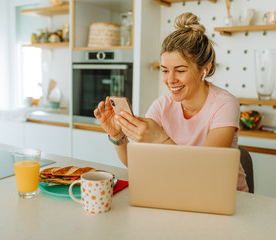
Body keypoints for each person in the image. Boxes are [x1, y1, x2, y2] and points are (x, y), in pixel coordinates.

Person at [94, 12, 248, 192]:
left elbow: (207, 172)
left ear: (204, 70)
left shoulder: (224, 105)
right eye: (165, 70)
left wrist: (160, 138)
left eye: (180, 70)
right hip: (180, 191)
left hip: (223, 195)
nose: (170, 79)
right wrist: (118, 137)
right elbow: (139, 164)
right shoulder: (161, 106)